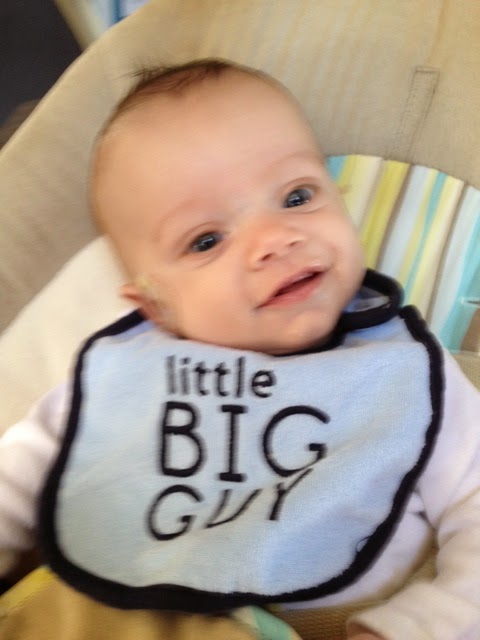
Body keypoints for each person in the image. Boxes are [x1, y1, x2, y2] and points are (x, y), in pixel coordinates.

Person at [0, 59, 479, 640]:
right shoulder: (132, 379)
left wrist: (425, 623)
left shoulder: (403, 372)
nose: (274, 240)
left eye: (297, 196)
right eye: (207, 240)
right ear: (155, 306)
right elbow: (16, 479)